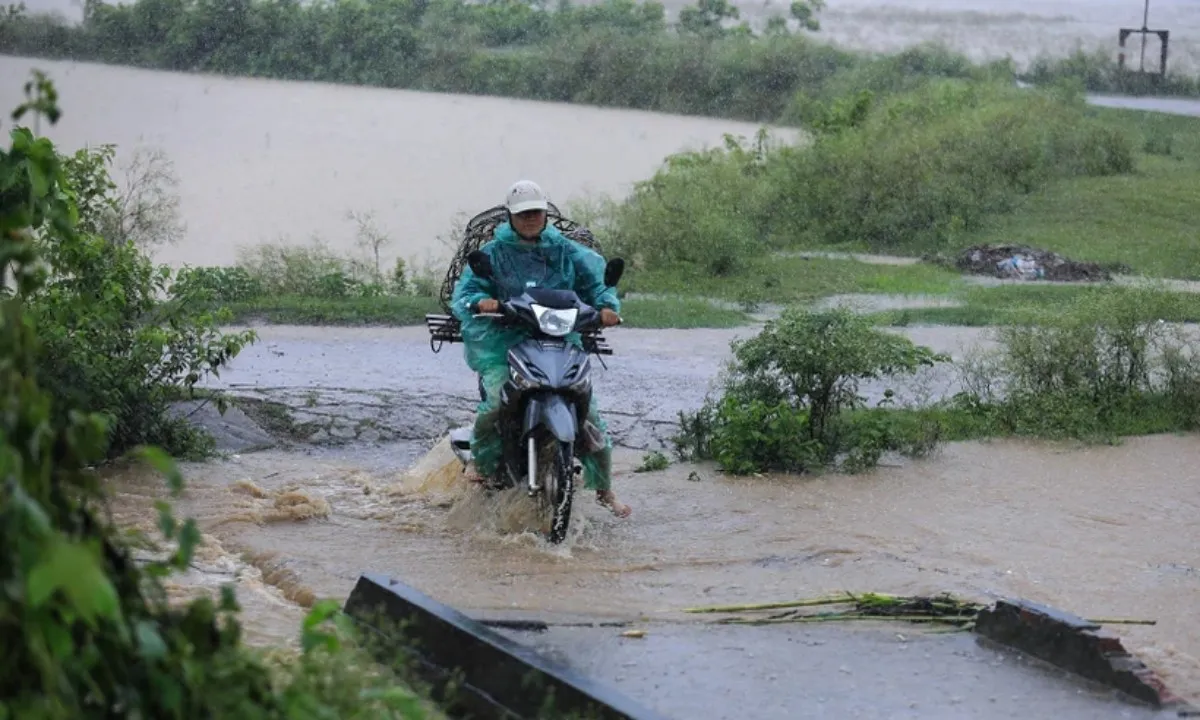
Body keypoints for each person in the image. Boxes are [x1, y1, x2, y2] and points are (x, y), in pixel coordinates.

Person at [450, 180, 630, 518]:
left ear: (545, 213)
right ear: (510, 216)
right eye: (523, 214)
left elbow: (597, 284)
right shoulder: (494, 253)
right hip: (506, 338)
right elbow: (467, 291)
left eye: (535, 212)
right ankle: (481, 462)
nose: (530, 218)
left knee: (590, 413)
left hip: (559, 336)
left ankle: (604, 488)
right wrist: (482, 301)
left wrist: (607, 306)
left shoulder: (566, 250)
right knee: (495, 399)